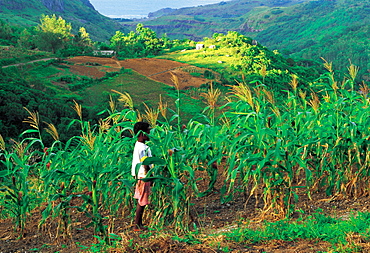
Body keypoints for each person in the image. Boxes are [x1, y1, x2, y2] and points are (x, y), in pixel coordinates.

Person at [131, 122, 152, 231]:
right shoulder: (143, 148)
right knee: (142, 201)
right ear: (142, 133)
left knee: (141, 199)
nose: (150, 133)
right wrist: (150, 176)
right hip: (144, 176)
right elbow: (145, 163)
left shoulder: (138, 145)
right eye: (148, 131)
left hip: (140, 176)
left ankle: (138, 224)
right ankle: (137, 225)